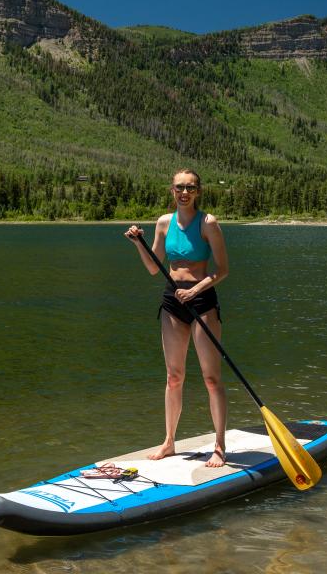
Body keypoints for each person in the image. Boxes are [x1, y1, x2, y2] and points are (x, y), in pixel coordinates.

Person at [124, 168, 230, 467]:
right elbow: (154, 267)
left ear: (199, 191)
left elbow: (222, 270)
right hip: (173, 301)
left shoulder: (208, 223)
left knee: (211, 378)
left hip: (203, 301)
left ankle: (219, 446)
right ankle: (169, 441)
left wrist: (195, 289)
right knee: (174, 377)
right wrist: (138, 244)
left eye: (191, 187)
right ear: (172, 190)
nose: (185, 192)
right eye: (179, 187)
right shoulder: (163, 223)